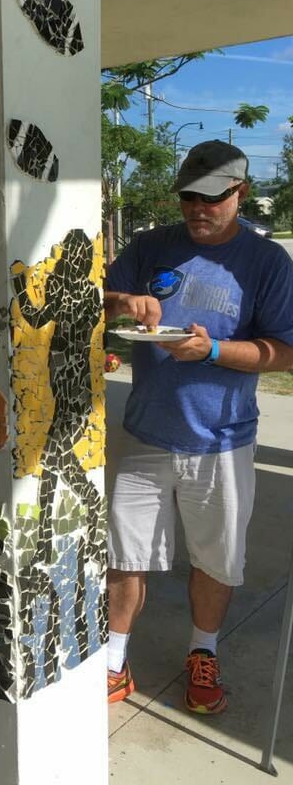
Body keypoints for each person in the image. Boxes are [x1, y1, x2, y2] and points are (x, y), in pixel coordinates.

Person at [104, 139, 293, 714]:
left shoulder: (267, 264)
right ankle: (113, 661)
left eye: (212, 198)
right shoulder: (149, 246)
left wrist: (212, 351)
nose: (197, 209)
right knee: (124, 555)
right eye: (189, 196)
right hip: (145, 433)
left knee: (216, 559)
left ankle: (203, 652)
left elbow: (284, 352)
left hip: (223, 439)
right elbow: (98, 302)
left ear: (241, 192)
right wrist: (123, 302)